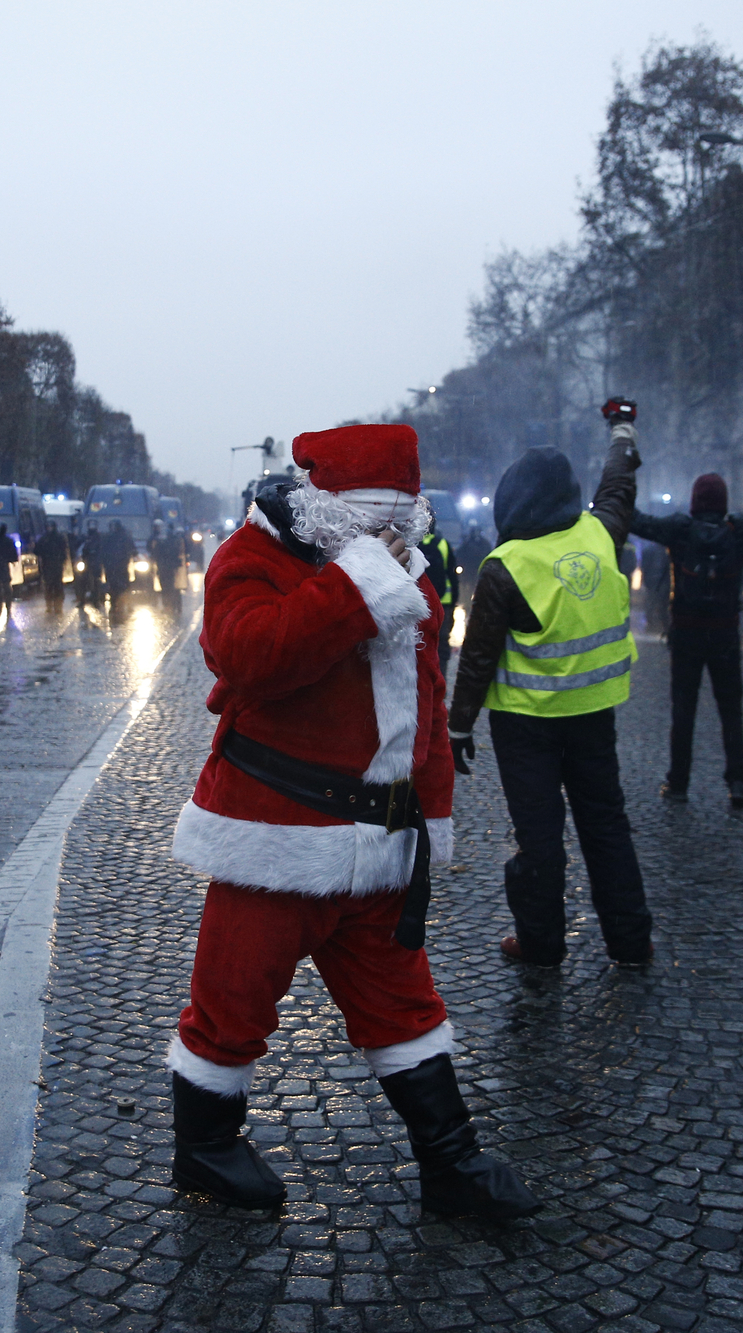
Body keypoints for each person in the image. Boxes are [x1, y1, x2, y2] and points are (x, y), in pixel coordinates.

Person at [165, 422, 535, 1220]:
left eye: (403, 528)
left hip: (378, 849)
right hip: (274, 842)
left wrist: (426, 828)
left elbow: (425, 711)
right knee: (231, 1004)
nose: (393, 543)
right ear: (333, 511)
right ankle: (203, 1148)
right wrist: (359, 585)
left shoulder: (406, 571)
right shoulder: (253, 557)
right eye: (378, 527)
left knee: (405, 1004)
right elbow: (249, 656)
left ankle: (450, 1161)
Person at [452, 433, 659, 967]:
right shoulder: (600, 533)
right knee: (606, 826)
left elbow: (478, 657)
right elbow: (617, 488)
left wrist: (458, 727)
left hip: (526, 725)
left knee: (540, 838)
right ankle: (631, 941)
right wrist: (621, 439)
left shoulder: (506, 564)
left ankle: (541, 946)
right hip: (593, 715)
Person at [630, 475, 743, 806]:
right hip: (725, 633)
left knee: (683, 712)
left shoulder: (679, 530)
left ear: (694, 501)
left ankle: (678, 782)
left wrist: (618, 490)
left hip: (687, 633)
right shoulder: (740, 530)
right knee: (731, 710)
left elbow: (635, 521)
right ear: (723, 502)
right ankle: (737, 782)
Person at [417, 512, 457, 672]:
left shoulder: (412, 545)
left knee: (419, 643)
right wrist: (454, 600)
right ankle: (441, 681)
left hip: (417, 604)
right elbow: (452, 575)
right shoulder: (443, 544)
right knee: (441, 645)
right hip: (443, 602)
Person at [100, 519, 134, 618]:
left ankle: (124, 602)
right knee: (112, 585)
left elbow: (131, 549)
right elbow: (103, 550)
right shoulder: (108, 538)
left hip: (121, 566)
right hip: (111, 566)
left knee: (123, 585)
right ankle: (114, 603)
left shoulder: (124, 537)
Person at [35, 520, 69, 610]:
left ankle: (58, 604)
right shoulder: (44, 538)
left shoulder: (59, 538)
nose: (49, 529)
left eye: (51, 527)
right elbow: (37, 550)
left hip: (56, 565)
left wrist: (62, 560)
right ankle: (49, 604)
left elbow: (64, 551)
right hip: (47, 565)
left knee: (57, 585)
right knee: (49, 586)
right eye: (48, 527)